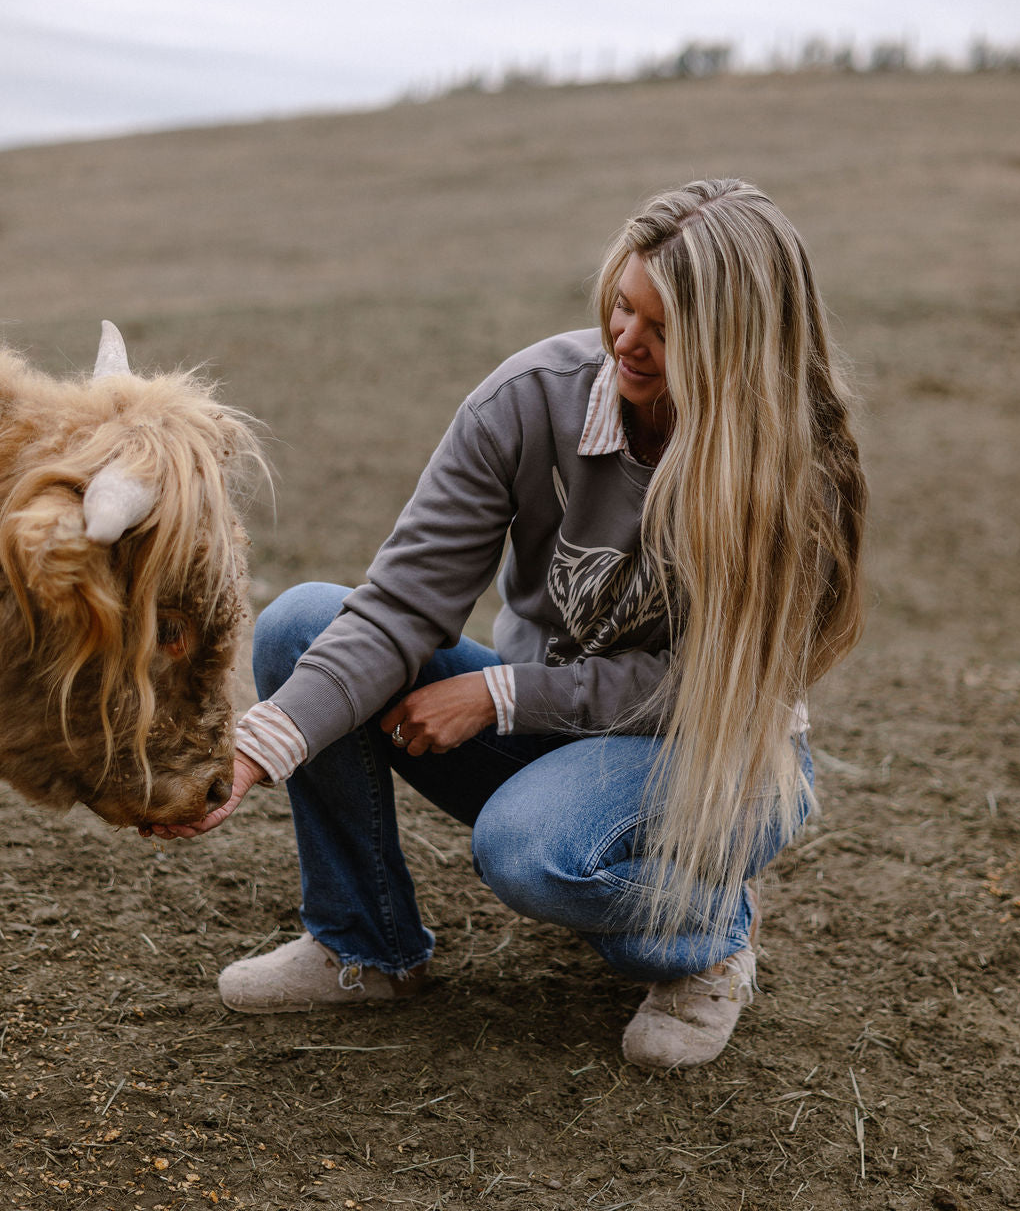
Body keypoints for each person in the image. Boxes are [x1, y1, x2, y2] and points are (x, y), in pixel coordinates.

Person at [151, 179, 866, 1070]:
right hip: (549, 732)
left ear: (736, 340)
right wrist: (258, 749)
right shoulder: (531, 401)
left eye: (665, 328)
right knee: (303, 623)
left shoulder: (797, 471)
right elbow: (404, 604)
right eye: (620, 306)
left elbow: (711, 688)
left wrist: (499, 694)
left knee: (526, 851)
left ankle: (708, 938)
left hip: (716, 755)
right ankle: (363, 946)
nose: (625, 342)